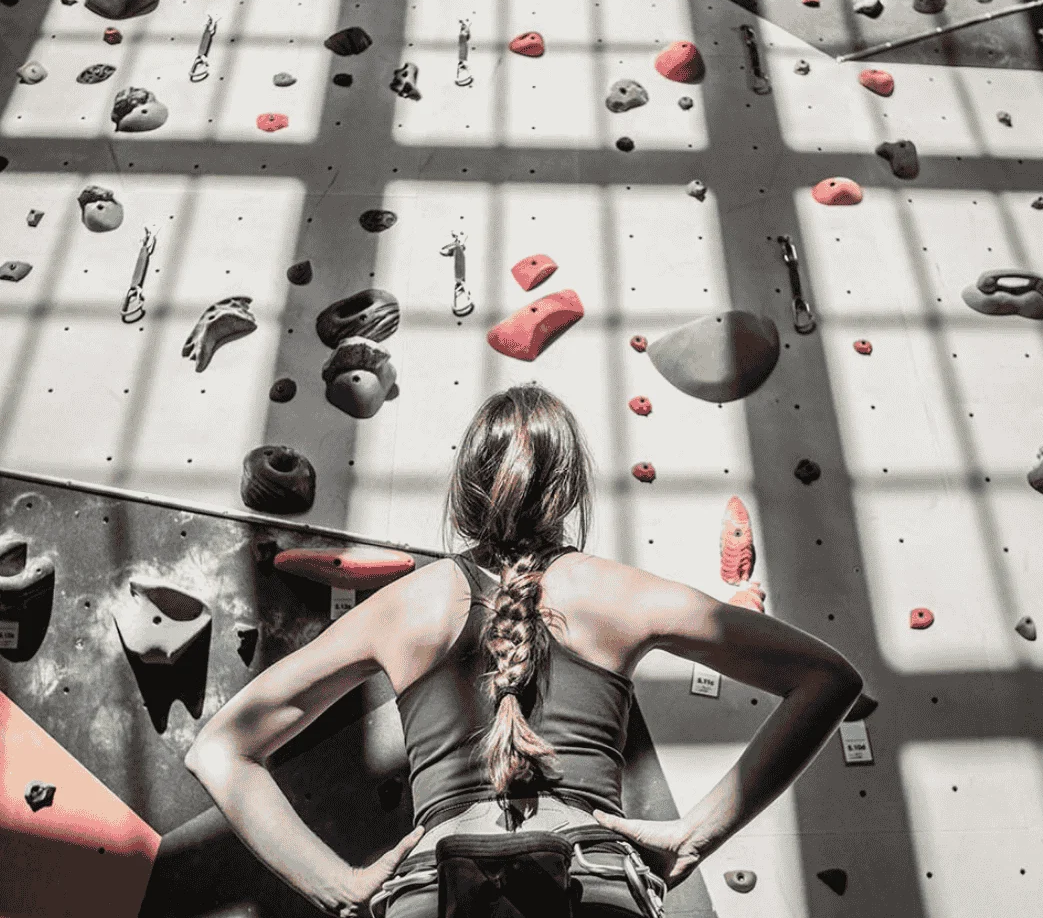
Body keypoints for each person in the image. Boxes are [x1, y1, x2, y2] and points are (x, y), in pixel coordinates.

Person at [184, 383, 863, 918]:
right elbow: (827, 678)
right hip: (593, 884)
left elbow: (219, 749)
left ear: (466, 491)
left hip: (430, 890)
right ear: (569, 490)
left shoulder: (401, 606)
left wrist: (338, 886)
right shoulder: (621, 593)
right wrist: (694, 836)